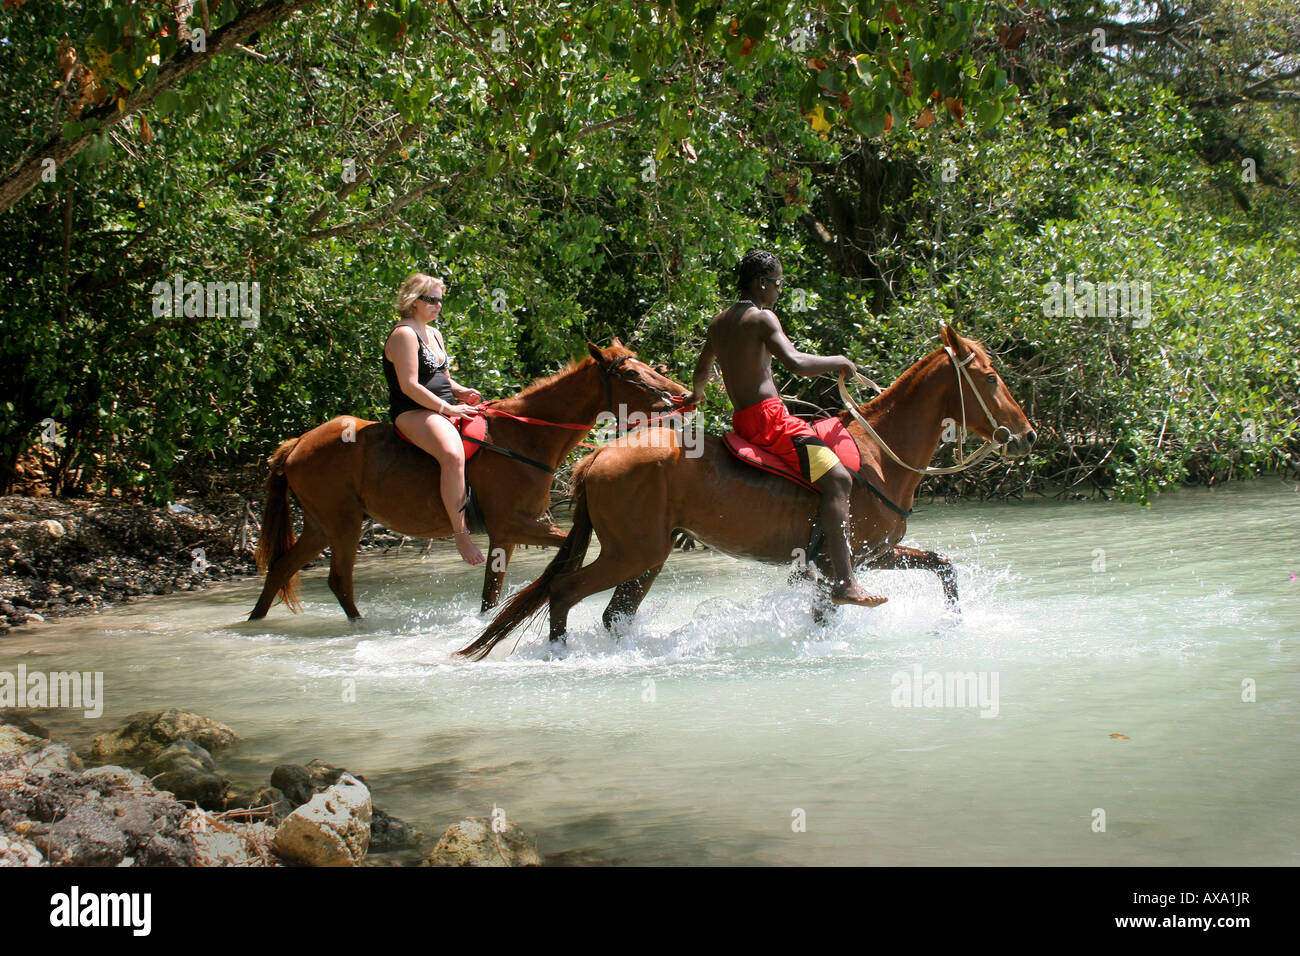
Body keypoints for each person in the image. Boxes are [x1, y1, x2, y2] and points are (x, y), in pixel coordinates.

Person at [686, 250, 886, 607]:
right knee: (839, 479)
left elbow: (701, 373)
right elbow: (795, 363)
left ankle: (805, 563)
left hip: (744, 421)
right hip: (771, 422)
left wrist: (696, 396)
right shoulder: (763, 319)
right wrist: (839, 361)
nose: (779, 291)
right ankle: (845, 582)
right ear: (762, 283)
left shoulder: (718, 323)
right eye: (778, 283)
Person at [382, 273, 485, 566]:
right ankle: (461, 533)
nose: (438, 305)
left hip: (443, 407)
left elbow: (443, 379)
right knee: (453, 455)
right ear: (414, 301)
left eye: (441, 299)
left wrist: (462, 393)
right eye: (432, 300)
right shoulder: (403, 334)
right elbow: (410, 386)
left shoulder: (435, 334)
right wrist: (447, 409)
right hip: (413, 412)